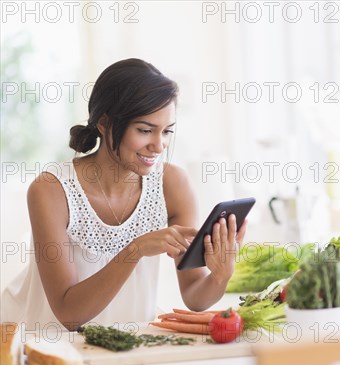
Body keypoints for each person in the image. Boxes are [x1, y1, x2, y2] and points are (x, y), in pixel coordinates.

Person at [1, 59, 247, 331]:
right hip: (45, 345)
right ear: (105, 124)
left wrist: (221, 275)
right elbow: (68, 313)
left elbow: (195, 296)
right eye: (145, 130)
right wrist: (136, 249)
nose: (158, 145)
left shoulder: (172, 184)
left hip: (126, 343)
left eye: (166, 132)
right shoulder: (51, 189)